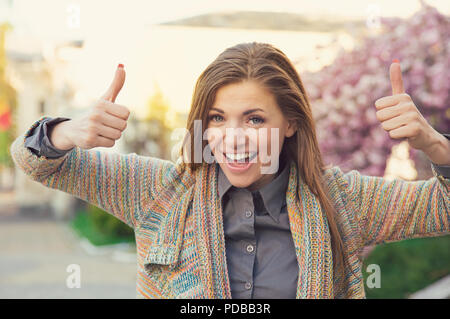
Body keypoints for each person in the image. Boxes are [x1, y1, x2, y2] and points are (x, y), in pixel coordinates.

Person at [10, 42, 450, 299]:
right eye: (217, 118)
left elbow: (441, 209)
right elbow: (38, 163)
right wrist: (69, 131)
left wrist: (432, 144)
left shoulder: (340, 200)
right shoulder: (159, 190)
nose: (232, 138)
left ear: (290, 124)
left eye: (255, 119)